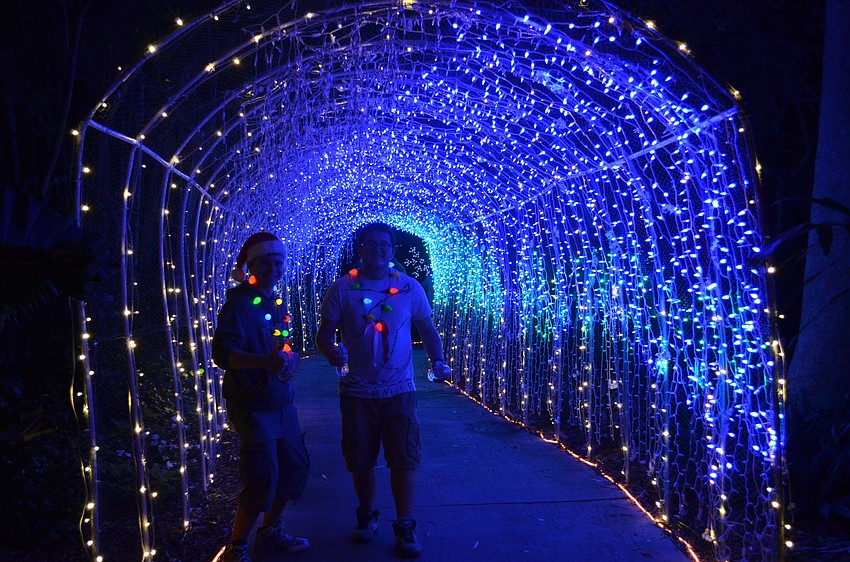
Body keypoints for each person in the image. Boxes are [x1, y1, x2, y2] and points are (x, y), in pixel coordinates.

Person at [315, 222, 450, 559]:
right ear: (360, 249)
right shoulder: (342, 288)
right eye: (370, 244)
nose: (377, 249)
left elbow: (427, 329)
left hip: (399, 389)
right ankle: (367, 514)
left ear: (392, 250)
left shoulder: (409, 287)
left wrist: (437, 360)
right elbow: (324, 334)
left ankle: (405, 524)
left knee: (404, 457)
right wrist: (331, 351)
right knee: (360, 459)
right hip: (356, 390)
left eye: (384, 245)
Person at [212, 232, 310, 562]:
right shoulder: (240, 304)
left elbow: (281, 344)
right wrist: (262, 362)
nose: (273, 269)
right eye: (266, 263)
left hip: (280, 399)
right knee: (262, 473)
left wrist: (289, 358)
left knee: (293, 466)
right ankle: (237, 547)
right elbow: (223, 354)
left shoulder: (273, 301)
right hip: (252, 402)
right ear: (250, 266)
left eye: (278, 262)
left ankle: (270, 531)